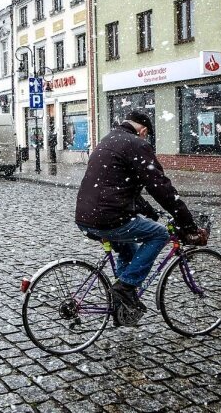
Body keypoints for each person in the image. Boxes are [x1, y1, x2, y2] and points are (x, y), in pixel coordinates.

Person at [75, 110, 208, 325]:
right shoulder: (137, 144)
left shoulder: (109, 140)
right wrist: (187, 222)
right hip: (109, 218)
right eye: (146, 135)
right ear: (143, 130)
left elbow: (121, 186)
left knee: (129, 251)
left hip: (86, 216)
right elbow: (161, 188)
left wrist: (150, 212)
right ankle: (125, 287)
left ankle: (123, 310)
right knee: (160, 235)